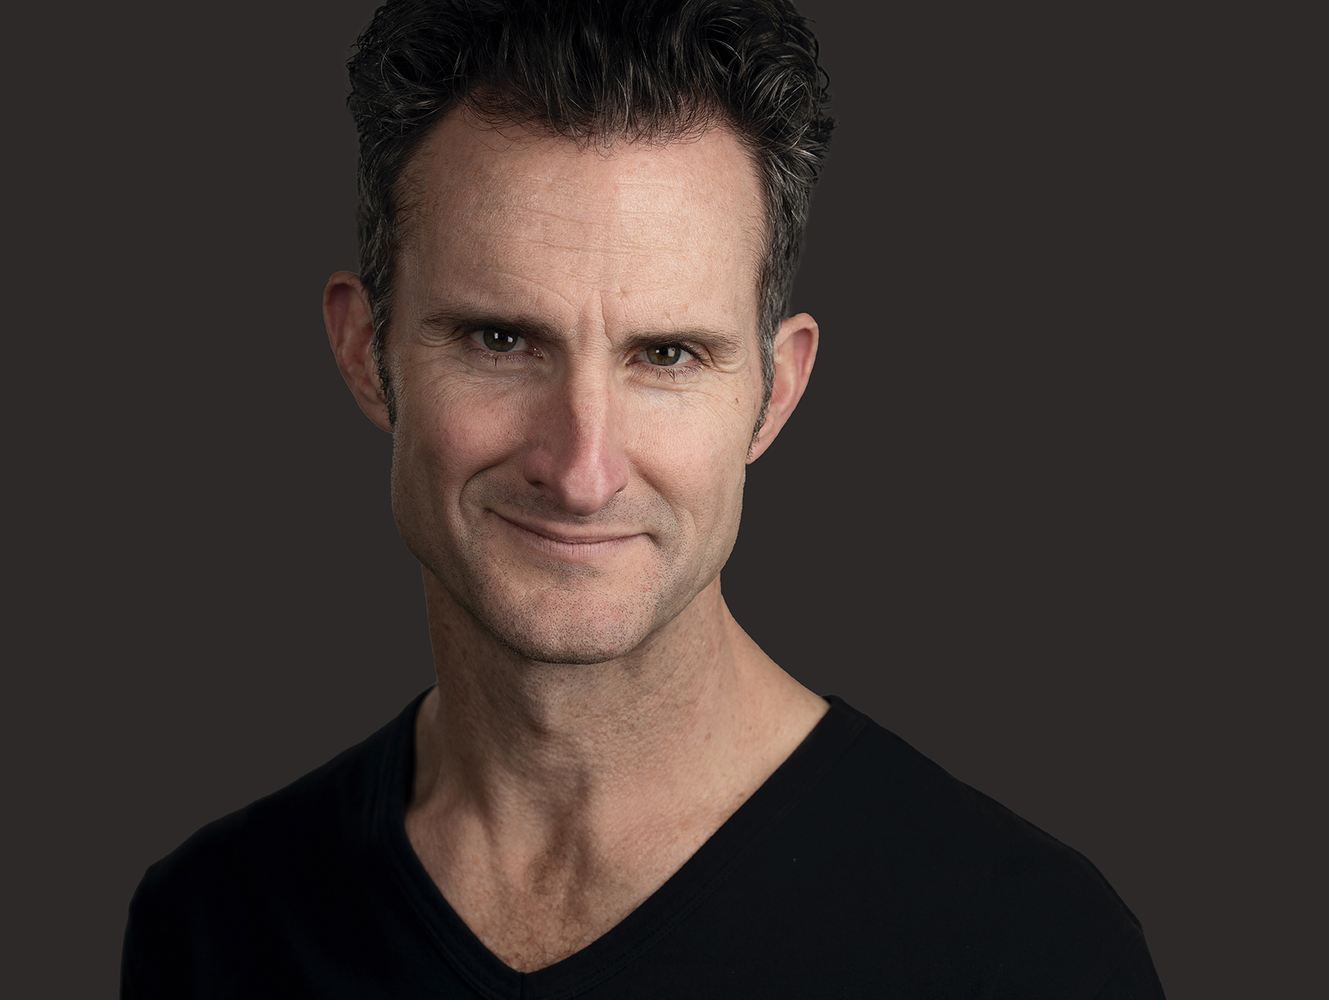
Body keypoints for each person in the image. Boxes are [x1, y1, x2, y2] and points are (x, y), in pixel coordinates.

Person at [122, 1, 1165, 995]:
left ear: (775, 391)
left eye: (666, 355)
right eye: (501, 340)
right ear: (365, 351)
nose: (583, 470)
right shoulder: (213, 925)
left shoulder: (1025, 953)